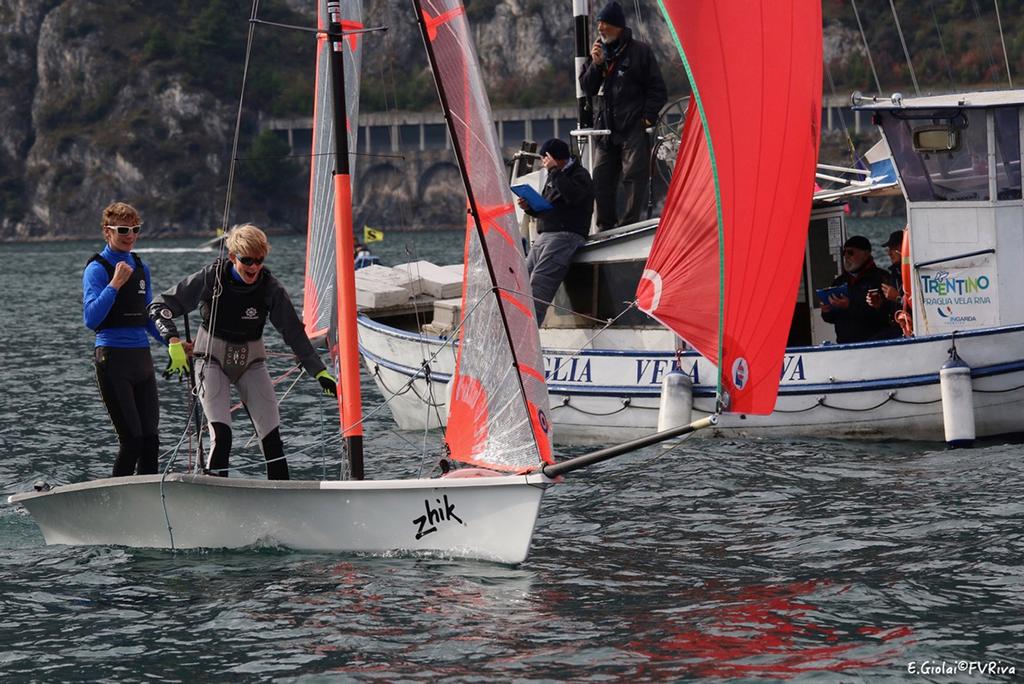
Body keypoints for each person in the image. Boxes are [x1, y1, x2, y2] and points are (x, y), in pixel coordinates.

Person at [148, 224, 337, 480]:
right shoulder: (210, 278)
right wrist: (172, 340)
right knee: (222, 435)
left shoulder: (271, 288)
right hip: (211, 361)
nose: (254, 267)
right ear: (233, 257)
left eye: (259, 260)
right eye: (247, 260)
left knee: (272, 440)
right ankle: (217, 499)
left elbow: (293, 332)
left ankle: (283, 501)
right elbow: (160, 305)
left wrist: (320, 371)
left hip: (251, 363)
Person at [83, 201, 165, 477]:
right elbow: (91, 319)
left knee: (151, 441)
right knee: (132, 441)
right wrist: (114, 284)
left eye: (135, 229)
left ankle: (151, 502)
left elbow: (148, 315)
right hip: (113, 360)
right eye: (122, 230)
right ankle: (115, 507)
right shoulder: (97, 268)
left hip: (141, 360)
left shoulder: (141, 266)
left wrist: (172, 341)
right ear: (108, 232)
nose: (130, 235)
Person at [579, 0, 667, 231]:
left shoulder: (640, 52)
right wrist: (596, 66)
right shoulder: (597, 52)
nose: (600, 28)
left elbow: (658, 90)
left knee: (633, 178)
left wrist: (647, 119)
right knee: (601, 180)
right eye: (599, 23)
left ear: (617, 25)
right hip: (606, 130)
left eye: (604, 23)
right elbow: (587, 88)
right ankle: (605, 228)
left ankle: (629, 227)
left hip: (633, 127)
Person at [517, 138, 595, 324]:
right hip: (545, 234)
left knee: (539, 282)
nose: (544, 163)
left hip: (566, 234)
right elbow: (548, 206)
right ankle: (514, 326)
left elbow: (573, 196)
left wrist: (553, 171)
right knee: (521, 280)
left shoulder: (579, 175)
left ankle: (528, 331)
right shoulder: (554, 176)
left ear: (554, 158)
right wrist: (529, 207)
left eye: (545, 159)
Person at [821, 235, 894, 343]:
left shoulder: (882, 278)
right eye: (843, 253)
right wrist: (827, 311)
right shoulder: (839, 282)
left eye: (850, 252)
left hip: (875, 345)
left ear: (865, 254)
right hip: (845, 346)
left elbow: (886, 315)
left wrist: (850, 306)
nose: (846, 256)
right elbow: (830, 319)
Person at [867, 229, 907, 337]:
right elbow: (889, 313)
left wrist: (898, 298)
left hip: (910, 329)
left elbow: (920, 306)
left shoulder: (912, 273)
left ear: (905, 247)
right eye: (889, 249)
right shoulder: (894, 274)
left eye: (893, 248)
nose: (889, 253)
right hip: (897, 328)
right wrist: (879, 305)